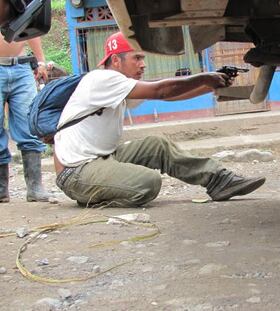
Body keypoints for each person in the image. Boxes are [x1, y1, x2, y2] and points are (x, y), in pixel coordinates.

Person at [53, 31, 265, 207]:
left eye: (143, 58)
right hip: (75, 172)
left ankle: (219, 180)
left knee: (157, 146)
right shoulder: (103, 79)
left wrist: (209, 85)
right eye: (137, 58)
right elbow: (161, 91)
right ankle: (96, 197)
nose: (143, 64)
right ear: (116, 60)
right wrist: (204, 77)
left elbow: (170, 96)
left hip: (100, 159)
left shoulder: (118, 85)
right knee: (147, 183)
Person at [0, 33, 53, 202]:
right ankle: (1, 189)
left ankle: (35, 187)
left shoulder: (18, 5)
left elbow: (31, 29)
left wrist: (41, 61)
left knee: (29, 125)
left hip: (21, 67)